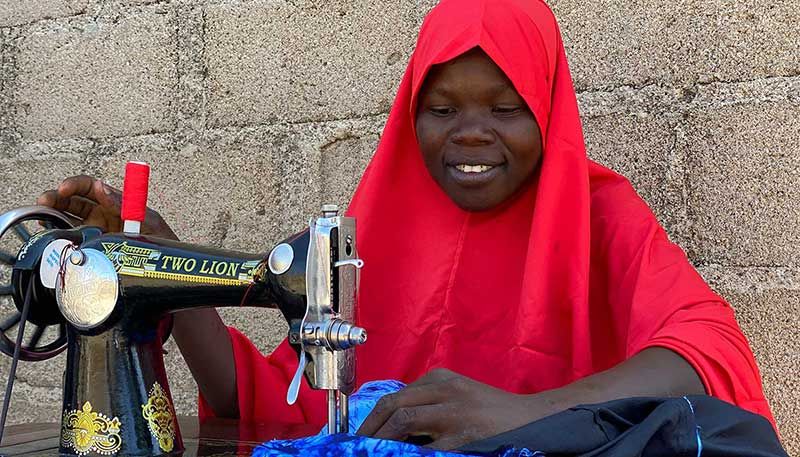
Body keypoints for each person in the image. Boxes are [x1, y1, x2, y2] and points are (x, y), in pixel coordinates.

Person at [35, 0, 776, 450]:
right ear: (410, 111)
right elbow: (276, 407)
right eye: (443, 108)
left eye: (506, 108)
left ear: (547, 109)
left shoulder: (600, 215)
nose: (472, 134)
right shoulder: (374, 226)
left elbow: (705, 355)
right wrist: (157, 256)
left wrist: (521, 414)